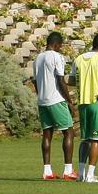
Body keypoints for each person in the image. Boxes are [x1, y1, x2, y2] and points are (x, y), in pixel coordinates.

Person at [31, 31, 76, 181]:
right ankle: (68, 170)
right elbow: (61, 80)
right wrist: (69, 101)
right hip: (56, 99)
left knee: (47, 134)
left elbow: (35, 81)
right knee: (68, 132)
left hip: (42, 100)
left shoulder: (37, 58)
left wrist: (40, 95)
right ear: (57, 44)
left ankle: (47, 171)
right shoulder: (57, 57)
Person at [72, 33, 98, 184]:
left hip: (82, 102)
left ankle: (80, 174)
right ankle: (90, 175)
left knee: (85, 139)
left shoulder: (79, 59)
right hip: (97, 102)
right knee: (96, 139)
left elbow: (71, 79)